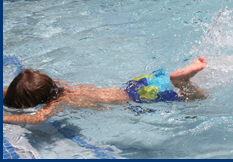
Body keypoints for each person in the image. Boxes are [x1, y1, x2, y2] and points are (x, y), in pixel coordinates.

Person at [3, 56, 208, 125]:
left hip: (136, 97)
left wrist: (4, 118)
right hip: (136, 84)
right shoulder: (57, 85)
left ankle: (182, 81)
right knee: (173, 90)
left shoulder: (58, 101)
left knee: (195, 99)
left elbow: (36, 119)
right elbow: (24, 87)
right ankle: (179, 78)